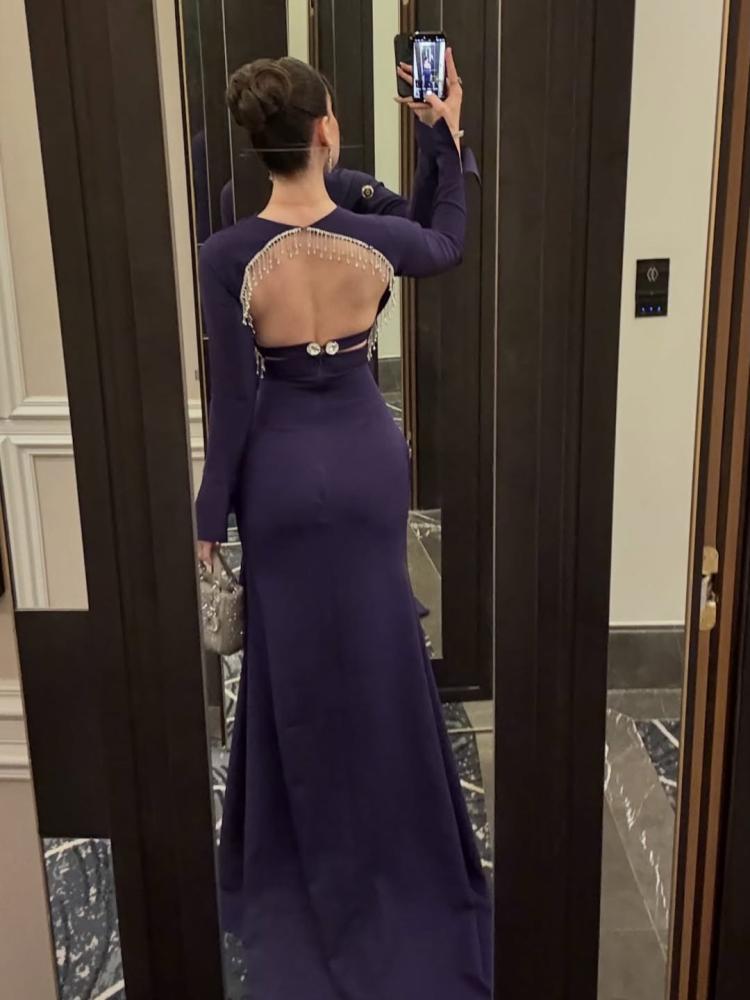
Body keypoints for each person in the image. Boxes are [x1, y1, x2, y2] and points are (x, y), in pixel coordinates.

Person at [195, 52, 491, 1000]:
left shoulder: (226, 256)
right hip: (366, 462)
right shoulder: (375, 238)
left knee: (291, 660)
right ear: (326, 129)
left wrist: (209, 517)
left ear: (258, 142)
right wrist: (447, 132)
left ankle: (295, 856)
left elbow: (232, 405)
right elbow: (446, 237)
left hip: (280, 472)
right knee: (377, 649)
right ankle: (401, 848)